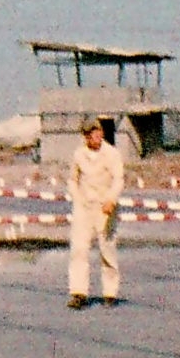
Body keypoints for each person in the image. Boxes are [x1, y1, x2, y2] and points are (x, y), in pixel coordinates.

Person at [66, 117, 124, 310]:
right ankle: (78, 292)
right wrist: (77, 198)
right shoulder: (78, 154)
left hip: (105, 208)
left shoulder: (112, 154)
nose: (96, 136)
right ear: (85, 136)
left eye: (98, 131)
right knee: (79, 250)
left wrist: (111, 200)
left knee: (107, 249)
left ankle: (110, 292)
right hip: (84, 207)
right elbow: (72, 180)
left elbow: (118, 179)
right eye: (92, 133)